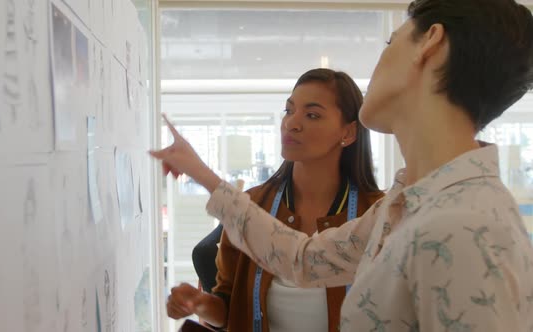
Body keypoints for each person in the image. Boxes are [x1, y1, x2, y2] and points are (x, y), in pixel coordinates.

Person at [151, 0, 533, 330]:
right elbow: (305, 260)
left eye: (390, 41)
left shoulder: (464, 227)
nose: (294, 122)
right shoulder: (408, 204)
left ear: (430, 44)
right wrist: (202, 173)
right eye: (289, 110)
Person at [168, 69, 384, 331]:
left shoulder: (377, 214)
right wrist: (200, 304)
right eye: (288, 110)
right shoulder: (253, 204)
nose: (292, 123)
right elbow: (228, 306)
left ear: (348, 133)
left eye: (312, 115)